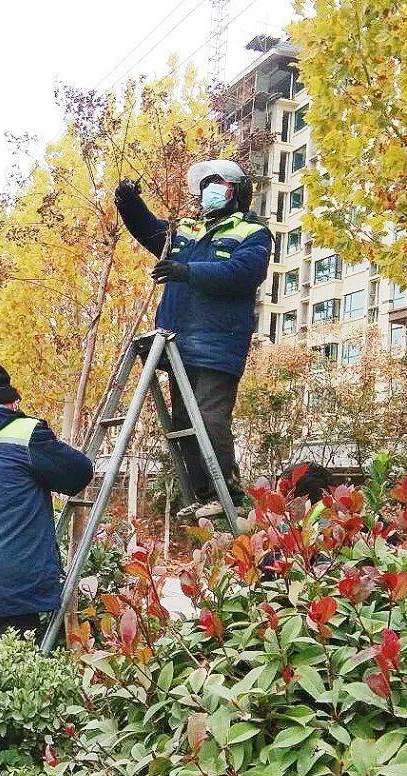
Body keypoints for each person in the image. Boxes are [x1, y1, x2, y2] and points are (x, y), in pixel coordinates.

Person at [115, 159, 271, 519]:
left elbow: (243, 272)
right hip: (177, 343)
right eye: (205, 184)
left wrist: (187, 271)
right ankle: (204, 494)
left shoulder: (251, 232)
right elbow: (149, 231)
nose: (209, 190)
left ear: (237, 192)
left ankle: (224, 491)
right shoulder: (186, 230)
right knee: (186, 425)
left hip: (218, 343)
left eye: (218, 183)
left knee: (210, 418)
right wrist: (129, 202)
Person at [0, 363, 93, 639]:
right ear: (11, 403)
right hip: (16, 586)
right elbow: (77, 474)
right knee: (19, 671)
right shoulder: (26, 433)